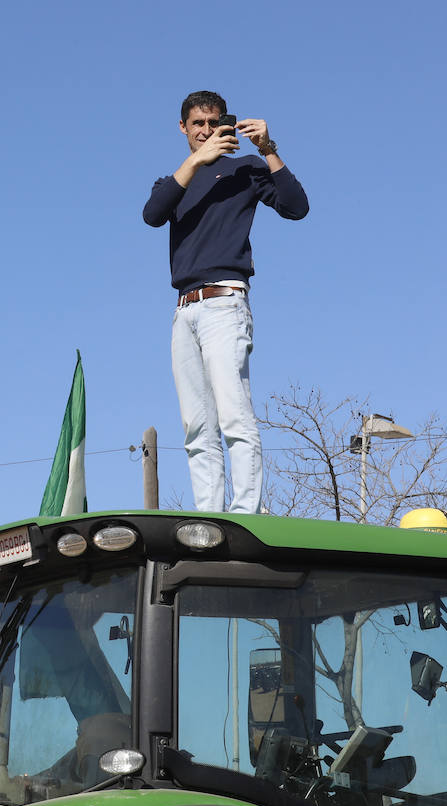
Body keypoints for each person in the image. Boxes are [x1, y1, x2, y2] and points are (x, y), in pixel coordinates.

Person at [143, 90, 309, 513]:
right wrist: (197, 160)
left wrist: (268, 148)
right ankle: (209, 516)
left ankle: (244, 513)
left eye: (214, 123)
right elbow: (152, 213)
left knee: (234, 414)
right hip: (184, 311)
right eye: (198, 124)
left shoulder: (246, 170)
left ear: (226, 124)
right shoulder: (173, 182)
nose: (206, 132)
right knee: (196, 426)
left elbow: (296, 206)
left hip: (224, 302)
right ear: (183, 127)